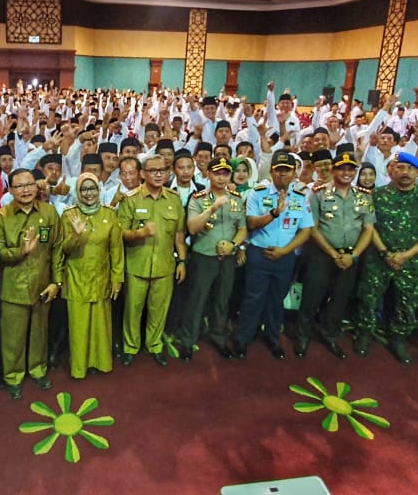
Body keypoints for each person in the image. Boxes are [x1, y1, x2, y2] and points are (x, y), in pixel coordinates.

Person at [352, 152, 418, 364]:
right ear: (392, 170)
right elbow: (369, 227)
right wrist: (384, 252)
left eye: (410, 169)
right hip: (378, 257)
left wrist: (406, 255)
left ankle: (398, 338)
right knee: (369, 297)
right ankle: (364, 332)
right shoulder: (376, 196)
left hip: (410, 260)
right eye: (400, 167)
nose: (405, 172)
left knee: (407, 301)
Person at [231, 149, 312, 359]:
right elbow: (250, 223)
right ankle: (243, 338)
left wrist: (285, 251)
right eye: (279, 170)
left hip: (285, 256)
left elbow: (306, 230)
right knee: (252, 298)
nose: (283, 174)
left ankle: (273, 338)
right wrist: (274, 213)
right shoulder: (257, 193)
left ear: (294, 172)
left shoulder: (301, 196)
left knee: (277, 299)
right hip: (259, 254)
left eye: (287, 170)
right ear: (271, 171)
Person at [0, 169, 64, 399]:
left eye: (30, 184)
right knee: (13, 338)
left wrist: (56, 282)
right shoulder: (2, 217)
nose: (25, 190)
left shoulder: (49, 212)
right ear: (10, 190)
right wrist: (20, 252)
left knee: (39, 333)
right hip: (13, 287)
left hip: (42, 284)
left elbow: (57, 248)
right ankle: (13, 377)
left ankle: (38, 370)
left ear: (37, 186)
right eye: (19, 186)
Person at [296, 149, 374, 359]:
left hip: (350, 257)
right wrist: (333, 254)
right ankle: (303, 335)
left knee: (340, 299)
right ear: (333, 170)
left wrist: (353, 255)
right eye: (342, 169)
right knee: (312, 296)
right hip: (322, 255)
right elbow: (312, 228)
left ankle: (329, 334)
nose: (346, 173)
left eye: (351, 169)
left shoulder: (364, 197)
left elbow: (368, 229)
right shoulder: (318, 194)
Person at [117, 154, 187, 367]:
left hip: (165, 266)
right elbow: (120, 233)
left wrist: (182, 261)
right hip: (136, 265)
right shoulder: (131, 199)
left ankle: (155, 345)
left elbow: (179, 234)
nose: (158, 174)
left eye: (162, 170)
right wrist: (140, 233)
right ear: (143, 173)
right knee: (133, 310)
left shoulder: (174, 199)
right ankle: (130, 347)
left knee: (159, 310)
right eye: (153, 171)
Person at [178, 157, 246, 361]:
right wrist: (213, 208)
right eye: (217, 173)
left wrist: (233, 244)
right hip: (204, 258)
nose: (221, 177)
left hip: (228, 258)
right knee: (196, 301)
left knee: (222, 301)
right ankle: (187, 341)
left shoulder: (236, 198)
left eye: (225, 173)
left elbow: (243, 229)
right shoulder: (198, 198)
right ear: (208, 174)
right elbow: (192, 228)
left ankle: (218, 337)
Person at [56, 173, 124, 379]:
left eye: (92, 188)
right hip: (76, 278)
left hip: (102, 276)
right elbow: (62, 250)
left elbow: (116, 249)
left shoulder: (109, 214)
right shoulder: (69, 215)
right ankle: (80, 367)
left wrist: (117, 279)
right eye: (84, 189)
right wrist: (76, 235)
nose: (89, 193)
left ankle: (101, 363)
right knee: (79, 325)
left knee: (101, 325)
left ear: (99, 189)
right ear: (78, 191)